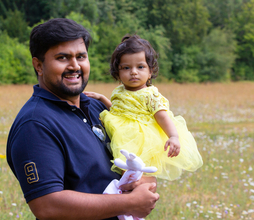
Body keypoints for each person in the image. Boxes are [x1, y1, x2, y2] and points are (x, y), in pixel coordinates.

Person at [6, 18, 159, 220]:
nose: (74, 66)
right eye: (62, 58)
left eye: (81, 56)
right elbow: (46, 205)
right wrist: (129, 203)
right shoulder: (35, 125)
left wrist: (139, 183)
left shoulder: (97, 108)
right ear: (39, 65)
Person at [85, 34, 203, 181]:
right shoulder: (119, 91)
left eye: (140, 67)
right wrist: (102, 98)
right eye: (126, 68)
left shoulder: (149, 94)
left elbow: (162, 116)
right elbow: (117, 111)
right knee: (123, 169)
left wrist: (173, 136)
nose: (133, 72)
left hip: (141, 137)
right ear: (118, 72)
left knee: (137, 171)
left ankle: (136, 192)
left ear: (150, 72)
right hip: (122, 133)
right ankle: (123, 190)